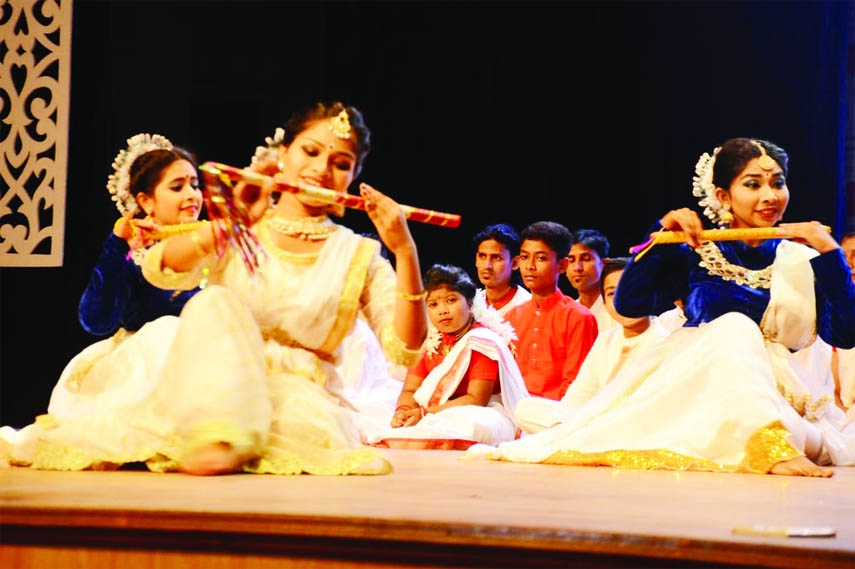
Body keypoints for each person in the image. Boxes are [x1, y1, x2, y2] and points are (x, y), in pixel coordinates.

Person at [470, 137, 855, 477]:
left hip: (781, 392)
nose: (770, 195)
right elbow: (630, 304)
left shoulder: (800, 256)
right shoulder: (697, 249)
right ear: (723, 195)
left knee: (814, 438)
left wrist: (830, 254)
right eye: (753, 184)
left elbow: (845, 333)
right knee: (735, 326)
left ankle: (769, 438)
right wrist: (662, 236)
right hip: (698, 384)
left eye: (778, 183)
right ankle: (769, 447)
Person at [3, 133, 205, 464]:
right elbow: (96, 320)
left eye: (195, 185)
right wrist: (116, 246)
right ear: (147, 201)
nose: (191, 195)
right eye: (177, 186)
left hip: (206, 358)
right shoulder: (135, 254)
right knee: (166, 331)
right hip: (147, 362)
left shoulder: (214, 243)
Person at [363, 264, 530, 449]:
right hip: (433, 410)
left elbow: (476, 399)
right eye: (433, 304)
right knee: (369, 408)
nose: (442, 310)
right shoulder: (431, 339)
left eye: (451, 300)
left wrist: (424, 414)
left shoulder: (482, 341)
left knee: (473, 425)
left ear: (469, 303)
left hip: (479, 410)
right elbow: (410, 389)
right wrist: (403, 412)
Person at [514, 257, 672, 434]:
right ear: (604, 302)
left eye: (632, 290)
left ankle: (572, 438)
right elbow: (577, 399)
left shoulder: (664, 343)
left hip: (630, 427)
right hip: (589, 424)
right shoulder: (606, 340)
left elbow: (649, 409)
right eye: (613, 293)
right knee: (525, 408)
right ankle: (576, 437)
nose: (625, 299)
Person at [504, 221, 599, 400]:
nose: (530, 266)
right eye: (524, 257)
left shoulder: (578, 317)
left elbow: (576, 384)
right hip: (511, 408)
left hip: (556, 412)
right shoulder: (512, 317)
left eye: (540, 258)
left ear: (562, 266)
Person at [565, 228, 617, 332]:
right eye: (571, 260)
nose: (577, 267)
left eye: (586, 259)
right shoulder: (567, 313)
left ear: (604, 264)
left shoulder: (617, 311)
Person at [472, 223, 531, 316]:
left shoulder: (527, 306)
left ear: (515, 263)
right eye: (482, 256)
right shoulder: (471, 304)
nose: (487, 265)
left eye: (497, 258)